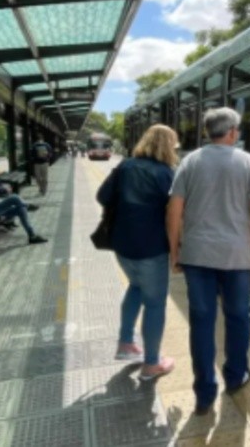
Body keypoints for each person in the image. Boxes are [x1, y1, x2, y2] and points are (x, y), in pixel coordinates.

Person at [167, 107, 250, 414]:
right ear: (231, 132)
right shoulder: (247, 162)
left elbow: (173, 210)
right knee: (238, 316)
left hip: (197, 256)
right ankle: (236, 375)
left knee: (201, 321)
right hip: (238, 257)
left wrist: (175, 251)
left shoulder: (190, 161)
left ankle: (204, 393)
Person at [97, 124, 179, 380]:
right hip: (151, 247)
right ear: (168, 145)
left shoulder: (125, 166)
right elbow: (175, 214)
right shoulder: (166, 173)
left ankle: (125, 344)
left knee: (135, 287)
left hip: (122, 244)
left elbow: (102, 195)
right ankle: (152, 364)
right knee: (155, 304)